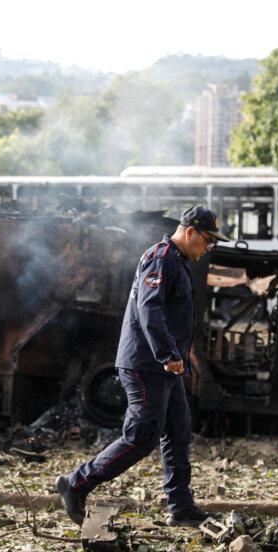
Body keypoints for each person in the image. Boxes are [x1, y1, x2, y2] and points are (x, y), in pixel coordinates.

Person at [56, 206, 226, 527]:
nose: (208, 250)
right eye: (207, 242)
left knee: (177, 431)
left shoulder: (175, 260)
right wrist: (167, 354)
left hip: (164, 366)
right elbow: (150, 308)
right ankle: (76, 483)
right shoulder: (161, 258)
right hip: (148, 365)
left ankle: (180, 506)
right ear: (190, 233)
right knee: (141, 437)